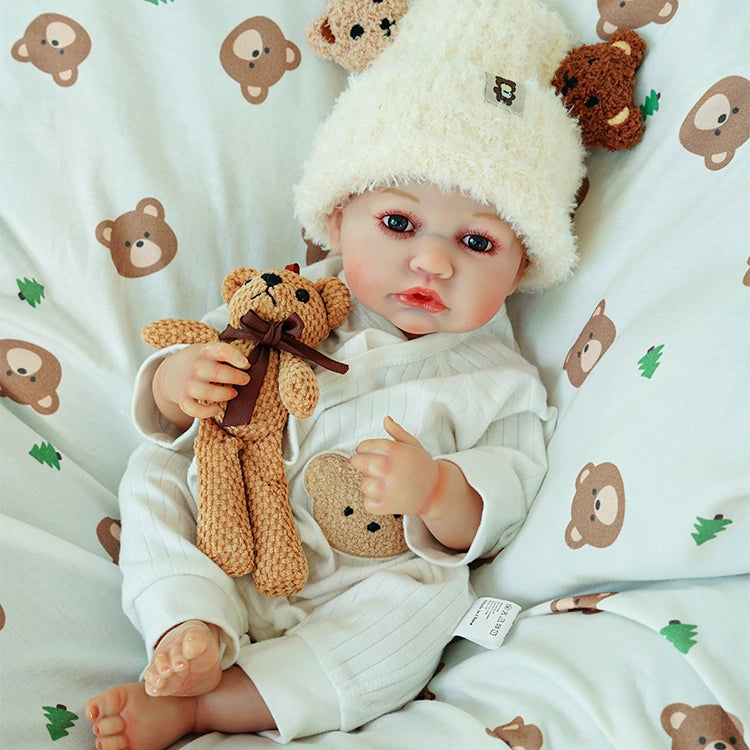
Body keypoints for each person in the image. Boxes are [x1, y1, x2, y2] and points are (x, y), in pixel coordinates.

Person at [86, 0, 586, 747]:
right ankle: (187, 624)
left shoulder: (500, 379)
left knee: (423, 613)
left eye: (478, 242)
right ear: (340, 213)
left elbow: (507, 491)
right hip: (231, 526)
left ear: (522, 269)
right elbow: (184, 395)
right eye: (397, 223)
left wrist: (442, 491)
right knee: (154, 475)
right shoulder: (286, 300)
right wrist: (179, 381)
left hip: (355, 584)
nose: (432, 260)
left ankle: (210, 706)